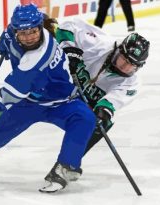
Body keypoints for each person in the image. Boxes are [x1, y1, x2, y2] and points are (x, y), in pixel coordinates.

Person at [0, 4, 96, 193]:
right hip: (30, 101)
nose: (29, 37)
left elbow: (11, 94)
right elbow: (6, 37)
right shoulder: (11, 33)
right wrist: (4, 45)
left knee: (85, 119)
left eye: (33, 31)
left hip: (61, 102)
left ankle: (66, 167)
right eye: (23, 33)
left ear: (40, 28)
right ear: (15, 32)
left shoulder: (39, 57)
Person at [54, 18, 150, 155]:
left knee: (102, 123)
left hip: (80, 104)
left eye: (131, 65)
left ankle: (68, 162)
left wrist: (103, 110)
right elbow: (67, 26)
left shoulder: (132, 83)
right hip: (60, 86)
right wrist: (69, 48)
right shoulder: (100, 43)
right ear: (118, 50)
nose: (125, 66)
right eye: (124, 59)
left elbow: (112, 101)